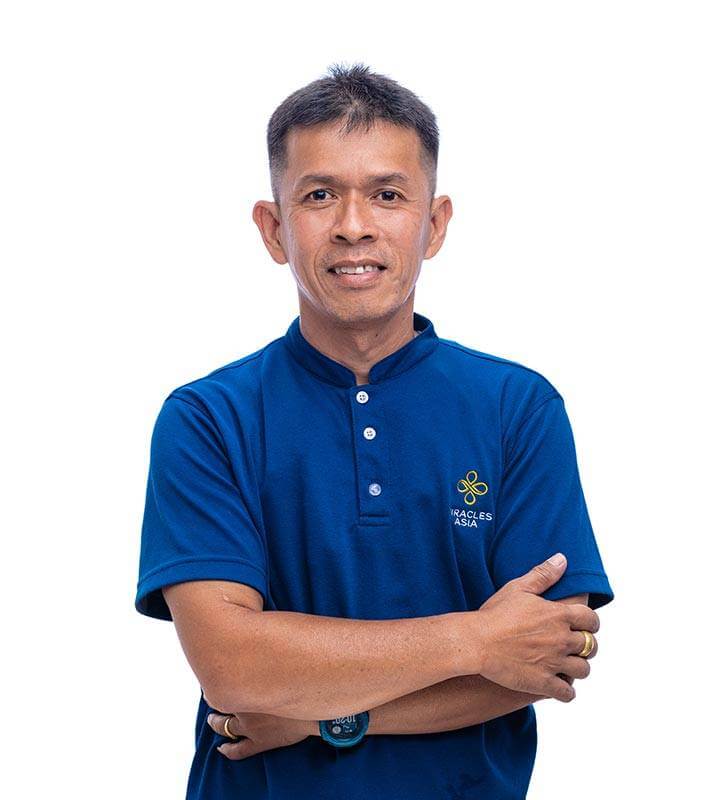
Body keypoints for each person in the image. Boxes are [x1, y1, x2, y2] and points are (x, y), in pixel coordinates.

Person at [134, 62, 614, 800]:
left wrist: (324, 716)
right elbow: (232, 666)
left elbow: (543, 660)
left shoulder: (518, 407)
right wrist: (477, 638)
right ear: (273, 228)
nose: (353, 225)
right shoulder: (207, 418)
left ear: (434, 223)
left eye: (387, 195)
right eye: (319, 195)